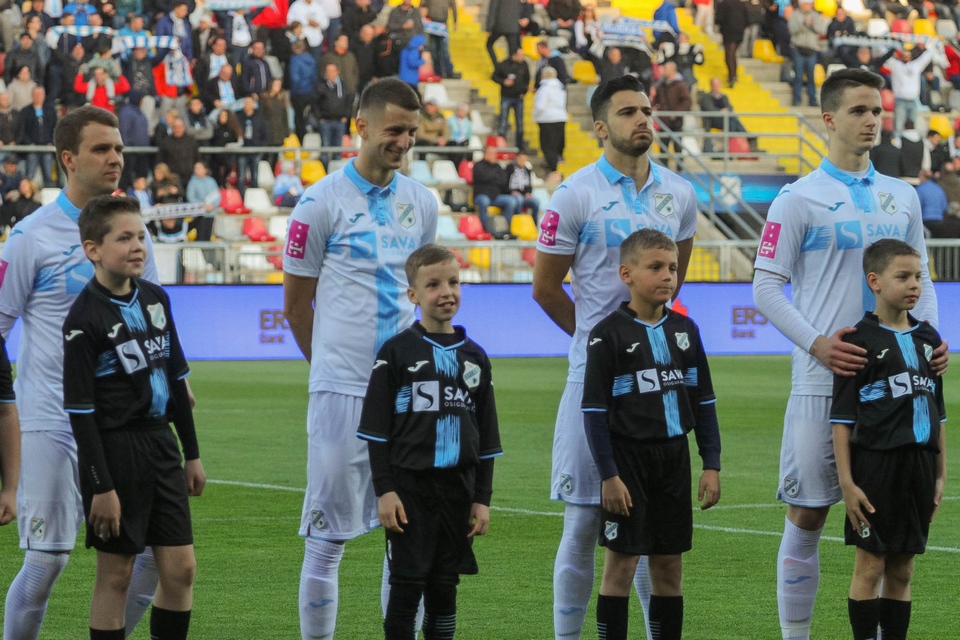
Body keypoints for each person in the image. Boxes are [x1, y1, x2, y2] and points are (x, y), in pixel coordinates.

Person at [751, 68, 945, 640]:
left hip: (895, 390)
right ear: (829, 119)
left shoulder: (902, 195)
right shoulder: (797, 199)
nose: (871, 121)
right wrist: (818, 344)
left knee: (891, 532)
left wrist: (928, 341)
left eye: (877, 110)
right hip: (823, 381)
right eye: (859, 110)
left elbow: (923, 280)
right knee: (808, 513)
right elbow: (765, 287)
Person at [532, 74, 698, 640]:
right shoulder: (574, 194)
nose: (643, 119)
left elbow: (675, 276)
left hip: (659, 381)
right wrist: (600, 344)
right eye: (628, 112)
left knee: (654, 534)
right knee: (584, 522)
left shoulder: (680, 194)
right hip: (597, 380)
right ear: (601, 127)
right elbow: (546, 288)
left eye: (646, 109)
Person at [282, 77, 439, 640]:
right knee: (328, 539)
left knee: (407, 538)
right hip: (342, 392)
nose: (404, 142)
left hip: (408, 395)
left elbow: (421, 296)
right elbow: (296, 307)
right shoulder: (318, 203)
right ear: (362, 126)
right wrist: (330, 370)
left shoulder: (422, 203)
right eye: (394, 130)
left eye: (412, 132)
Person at [1, 106, 162, 640]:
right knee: (46, 562)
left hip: (121, 424)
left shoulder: (133, 232)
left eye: (119, 148)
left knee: (148, 558)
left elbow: (152, 320)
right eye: (101, 149)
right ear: (68, 159)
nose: (115, 158)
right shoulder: (31, 237)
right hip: (51, 420)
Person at [63, 194, 204, 640]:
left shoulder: (156, 298)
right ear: (93, 250)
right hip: (115, 451)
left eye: (141, 236)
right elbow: (81, 413)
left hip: (161, 445)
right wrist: (101, 486)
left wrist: (192, 455)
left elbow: (177, 380)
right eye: (124, 238)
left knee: (181, 569)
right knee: (117, 573)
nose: (138, 246)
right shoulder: (83, 319)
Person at [357, 243, 503, 640]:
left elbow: (487, 436)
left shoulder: (475, 357)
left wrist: (482, 497)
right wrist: (385, 491)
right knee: (406, 587)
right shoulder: (396, 352)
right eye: (434, 284)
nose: (446, 292)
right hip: (409, 490)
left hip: (458, 489)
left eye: (453, 282)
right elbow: (376, 431)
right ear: (413, 295)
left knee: (444, 588)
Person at [583, 229, 721, 640]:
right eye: (656, 267)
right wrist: (609, 475)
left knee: (669, 565)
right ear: (626, 274)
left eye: (673, 268)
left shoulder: (686, 330)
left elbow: (704, 401)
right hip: (628, 462)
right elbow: (594, 412)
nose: (667, 276)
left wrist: (711, 463)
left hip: (674, 458)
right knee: (621, 564)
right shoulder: (607, 334)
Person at [830, 239, 946, 640]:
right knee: (870, 567)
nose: (914, 285)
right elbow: (842, 420)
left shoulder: (929, 339)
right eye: (903, 277)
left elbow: (938, 413)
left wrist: (940, 475)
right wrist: (847, 482)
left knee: (903, 569)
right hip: (876, 467)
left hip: (920, 467)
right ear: (874, 281)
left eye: (918, 276)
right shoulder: (857, 341)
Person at [788, 0, 827, 107]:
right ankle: (796, 99)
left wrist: (813, 25)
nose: (807, 6)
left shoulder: (816, 16)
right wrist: (803, 24)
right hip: (798, 48)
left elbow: (821, 30)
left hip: (811, 49)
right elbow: (791, 30)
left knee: (811, 76)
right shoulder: (795, 15)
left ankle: (812, 99)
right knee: (798, 75)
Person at [472, 145, 518, 236]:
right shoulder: (478, 166)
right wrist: (494, 178)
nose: (495, 156)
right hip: (482, 195)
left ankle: (505, 227)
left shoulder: (498, 166)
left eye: (495, 154)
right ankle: (486, 228)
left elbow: (503, 180)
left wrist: (491, 178)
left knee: (511, 201)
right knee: (484, 201)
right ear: (486, 154)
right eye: (492, 154)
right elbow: (483, 178)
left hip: (496, 196)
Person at [492, 47, 531, 149]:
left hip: (518, 97)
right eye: (520, 55)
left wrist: (524, 92)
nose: (522, 57)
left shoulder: (524, 64)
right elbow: (494, 76)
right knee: (503, 122)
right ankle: (501, 146)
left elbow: (527, 79)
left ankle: (519, 147)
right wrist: (503, 82)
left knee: (519, 123)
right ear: (514, 55)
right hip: (506, 96)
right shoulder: (503, 64)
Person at [533, 66, 567, 176]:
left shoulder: (544, 88)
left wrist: (535, 115)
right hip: (561, 117)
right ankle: (558, 161)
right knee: (557, 143)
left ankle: (553, 169)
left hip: (546, 118)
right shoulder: (561, 87)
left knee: (547, 145)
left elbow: (540, 106)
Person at [714, 0, 748, 87]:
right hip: (739, 31)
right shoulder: (741, 4)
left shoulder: (724, 3)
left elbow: (719, 18)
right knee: (732, 54)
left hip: (728, 31)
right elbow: (747, 18)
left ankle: (732, 76)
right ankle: (733, 75)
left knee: (729, 55)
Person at [484, 0, 522, 68]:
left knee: (489, 45)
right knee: (512, 52)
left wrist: (489, 27)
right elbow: (520, 8)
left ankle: (497, 67)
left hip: (499, 25)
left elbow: (492, 10)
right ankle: (511, 70)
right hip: (513, 27)